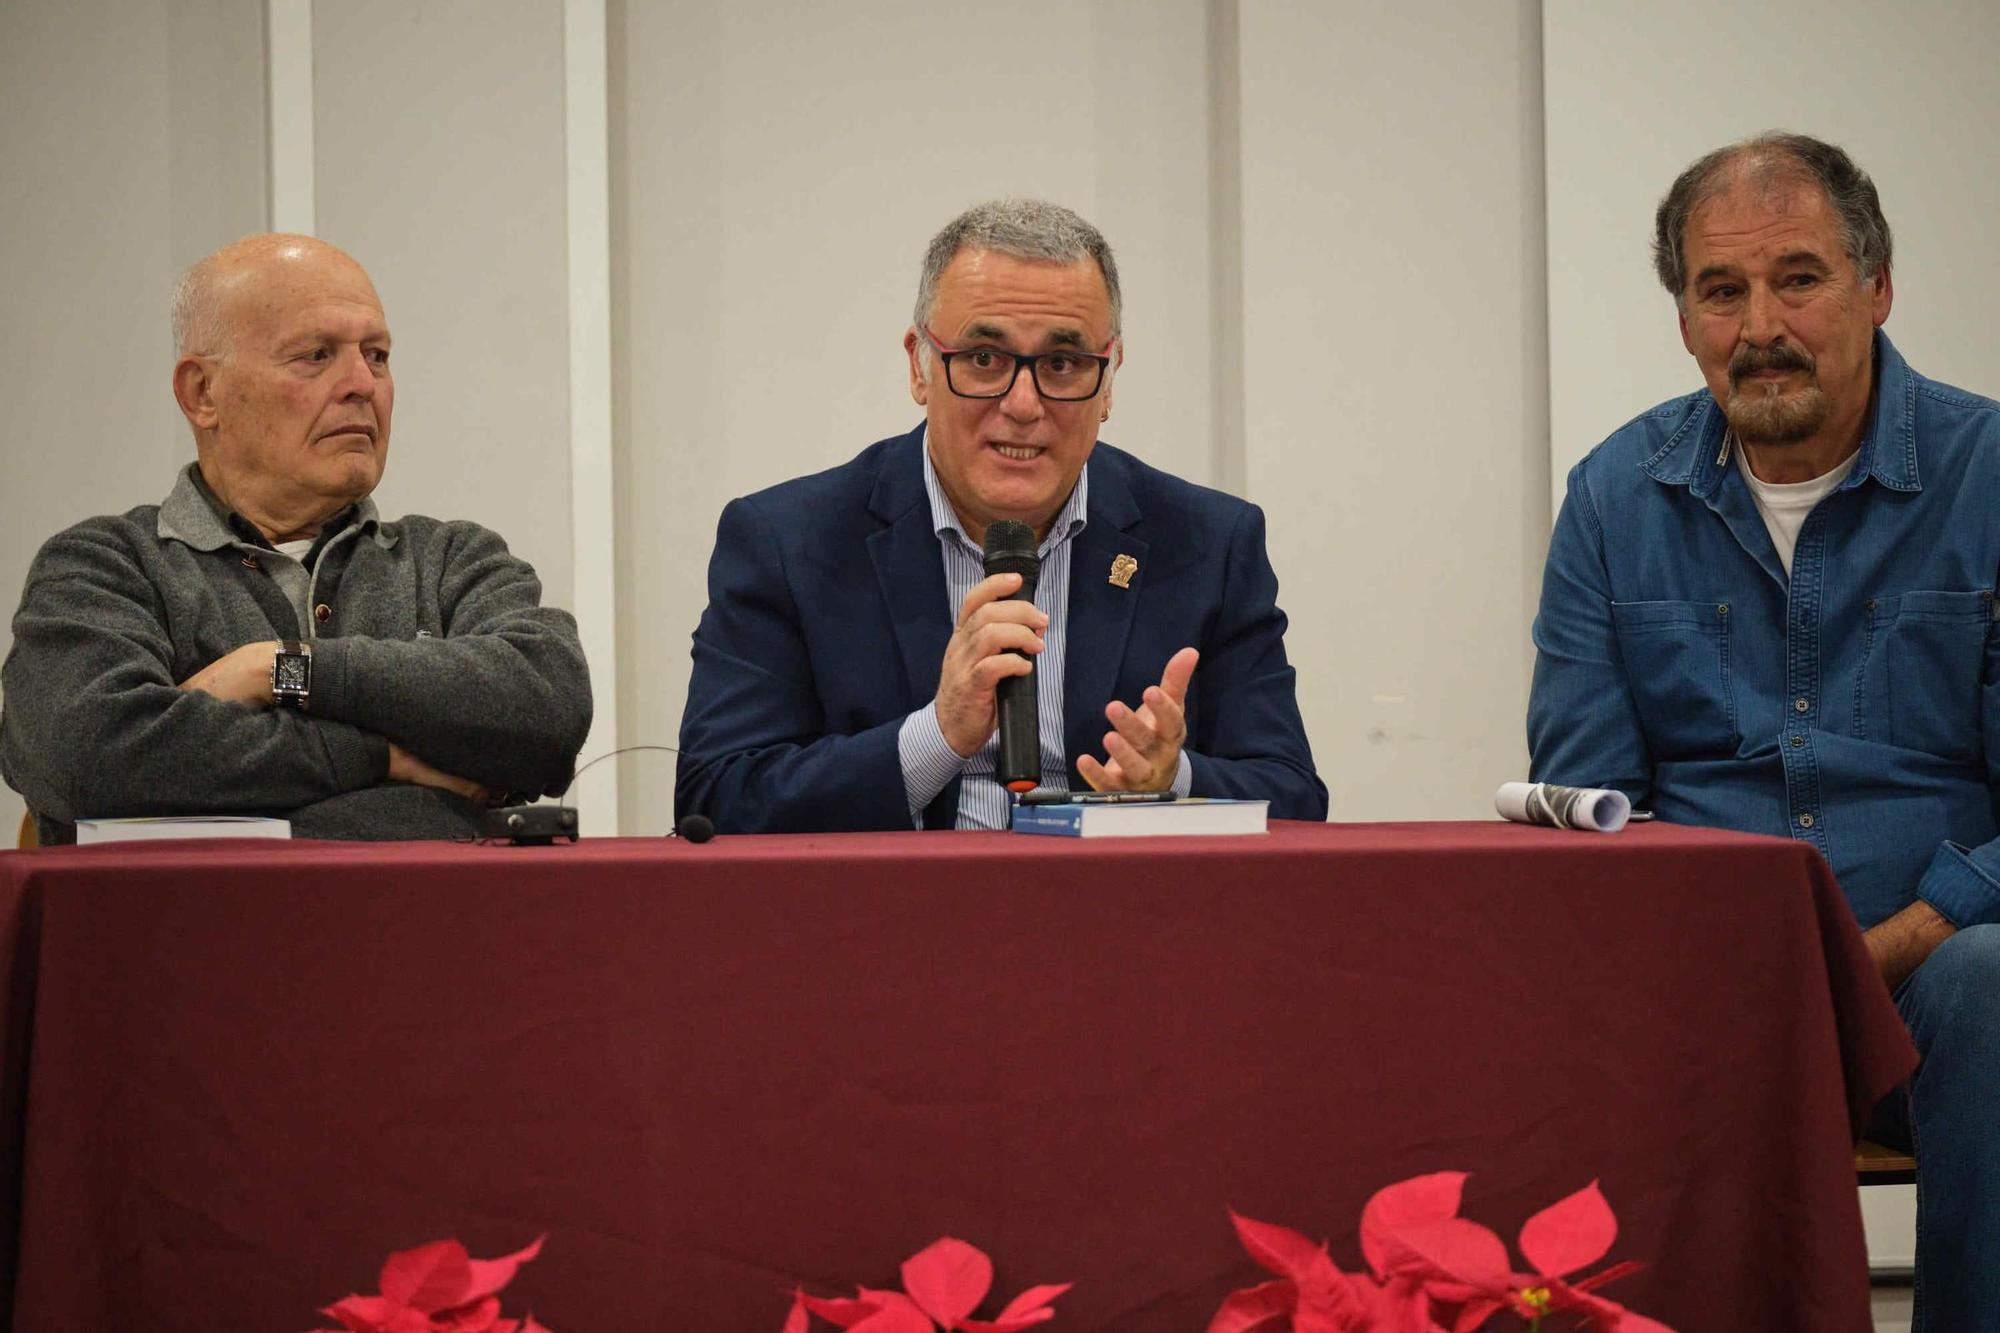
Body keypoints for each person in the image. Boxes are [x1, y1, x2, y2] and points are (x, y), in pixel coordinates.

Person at [1528, 132, 2000, 1328]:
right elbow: (1587, 798)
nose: (1758, 326)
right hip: (1706, 990)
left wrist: (1882, 944)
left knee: (1995, 986)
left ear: (1876, 286)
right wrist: (1735, 971)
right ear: (1683, 317)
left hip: (1929, 983)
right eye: (1718, 290)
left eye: (1796, 278)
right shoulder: (1609, 497)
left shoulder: (1986, 474)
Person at [676, 199, 1325, 832]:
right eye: (985, 359)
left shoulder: (1209, 545)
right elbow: (715, 794)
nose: (1022, 403)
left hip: (1118, 924)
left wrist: (1170, 780)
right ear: (920, 366)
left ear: (1109, 378)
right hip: (889, 927)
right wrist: (936, 734)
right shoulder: (788, 543)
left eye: (1063, 364)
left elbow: (1295, 798)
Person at [0, 234, 592, 842]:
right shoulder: (105, 565)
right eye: (316, 355)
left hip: (439, 926)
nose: (362, 382)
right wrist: (381, 759)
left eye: (378, 355)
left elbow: (548, 708)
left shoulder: (451, 560)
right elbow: (86, 757)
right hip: (197, 931)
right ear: (203, 393)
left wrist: (276, 671)